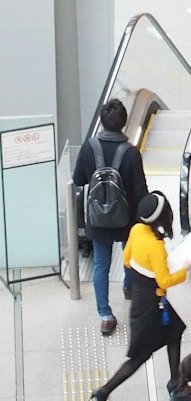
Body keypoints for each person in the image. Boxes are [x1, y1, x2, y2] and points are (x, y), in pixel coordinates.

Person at [91, 192, 188, 401]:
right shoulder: (156, 245)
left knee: (175, 331)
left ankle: (175, 381)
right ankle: (104, 391)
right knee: (138, 357)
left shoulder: (136, 230)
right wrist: (184, 271)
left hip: (143, 297)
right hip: (151, 305)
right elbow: (165, 280)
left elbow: (126, 259)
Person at [72, 99, 148, 337]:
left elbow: (78, 180)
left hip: (97, 218)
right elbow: (140, 190)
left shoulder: (89, 147)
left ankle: (105, 316)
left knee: (101, 265)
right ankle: (128, 287)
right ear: (124, 123)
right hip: (126, 218)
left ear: (102, 121)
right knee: (129, 256)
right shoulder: (131, 153)